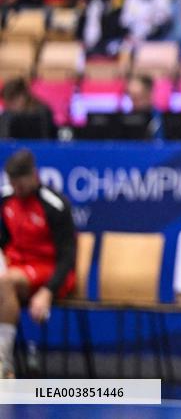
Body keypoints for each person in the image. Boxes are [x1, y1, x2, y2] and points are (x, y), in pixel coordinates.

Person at [0, 149, 77, 378]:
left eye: (21, 183)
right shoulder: (6, 201)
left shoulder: (55, 205)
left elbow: (67, 256)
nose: (17, 189)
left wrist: (47, 291)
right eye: (13, 184)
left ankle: (3, 363)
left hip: (49, 270)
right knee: (5, 280)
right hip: (16, 267)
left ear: (34, 175)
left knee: (5, 282)